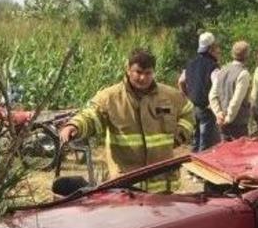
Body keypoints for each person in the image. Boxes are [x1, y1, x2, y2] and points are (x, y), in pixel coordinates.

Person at [59, 48, 195, 188]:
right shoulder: (110, 98)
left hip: (163, 188)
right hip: (126, 186)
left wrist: (180, 135)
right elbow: (91, 115)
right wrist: (75, 126)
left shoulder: (169, 96)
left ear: (154, 72)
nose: (143, 78)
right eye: (138, 72)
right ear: (128, 69)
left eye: (148, 73)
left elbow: (188, 110)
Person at [180, 32, 221, 151]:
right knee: (206, 143)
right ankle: (200, 166)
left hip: (193, 107)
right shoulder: (213, 66)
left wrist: (186, 97)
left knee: (195, 140)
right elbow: (217, 85)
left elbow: (181, 81)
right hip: (207, 109)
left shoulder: (190, 64)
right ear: (211, 48)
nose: (218, 50)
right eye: (216, 47)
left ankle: (192, 165)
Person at [209, 41, 252, 141]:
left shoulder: (222, 70)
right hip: (238, 124)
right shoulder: (243, 73)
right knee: (240, 154)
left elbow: (212, 95)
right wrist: (228, 118)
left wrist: (218, 114)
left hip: (222, 122)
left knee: (224, 153)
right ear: (247, 55)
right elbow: (236, 100)